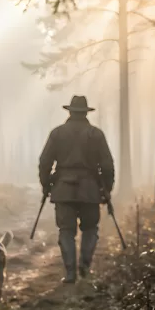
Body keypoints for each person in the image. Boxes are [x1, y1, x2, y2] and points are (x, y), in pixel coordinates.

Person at [38, 95, 115, 283]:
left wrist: (46, 185)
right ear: (85, 112)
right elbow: (107, 166)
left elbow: (44, 162)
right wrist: (107, 189)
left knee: (66, 231)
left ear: (70, 112)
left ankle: (70, 273)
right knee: (90, 229)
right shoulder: (96, 134)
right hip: (90, 190)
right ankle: (85, 268)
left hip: (63, 189)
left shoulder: (57, 133)